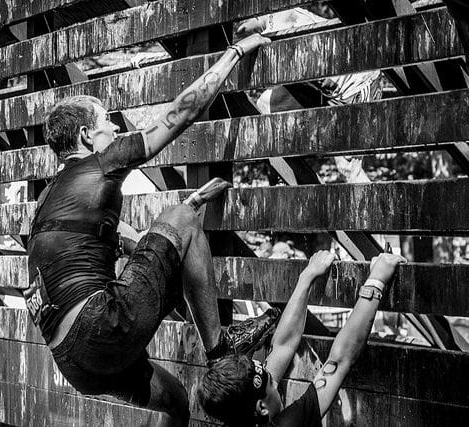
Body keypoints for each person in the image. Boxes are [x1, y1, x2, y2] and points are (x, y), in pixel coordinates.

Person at [25, 32, 273, 426]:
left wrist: (182, 226)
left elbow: (126, 242)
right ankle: (221, 349)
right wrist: (235, 52)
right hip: (100, 327)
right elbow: (179, 116)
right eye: (107, 121)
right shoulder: (102, 163)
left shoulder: (47, 202)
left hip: (72, 361)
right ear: (87, 136)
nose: (114, 128)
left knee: (175, 402)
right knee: (183, 218)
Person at [197, 251, 406, 426]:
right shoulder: (289, 424)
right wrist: (376, 282)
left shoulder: (240, 412)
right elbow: (340, 361)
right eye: (272, 384)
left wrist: (306, 278)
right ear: (261, 408)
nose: (274, 381)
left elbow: (282, 346)